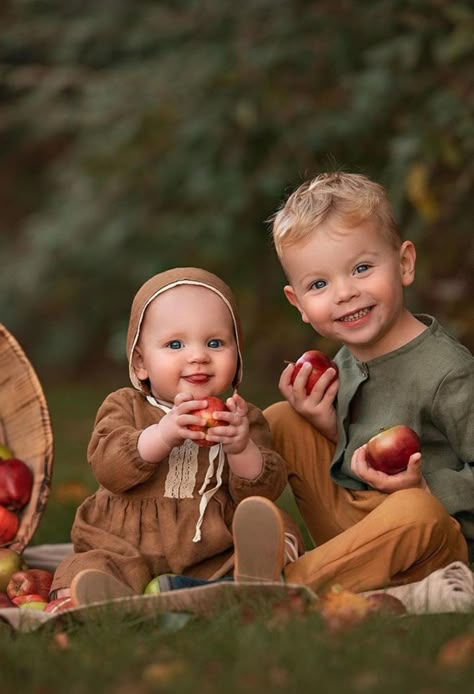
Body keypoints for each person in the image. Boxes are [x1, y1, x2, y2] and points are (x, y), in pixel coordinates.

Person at [243, 172, 474, 610]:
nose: (345, 292)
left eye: (362, 268)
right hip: (360, 530)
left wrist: (425, 488)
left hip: (433, 544)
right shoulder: (343, 364)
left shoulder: (448, 372)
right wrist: (328, 427)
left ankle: (277, 589)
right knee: (280, 421)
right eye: (319, 284)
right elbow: (360, 468)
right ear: (299, 305)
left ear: (404, 264)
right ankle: (221, 546)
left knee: (414, 511)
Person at [50, 267, 303, 605]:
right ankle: (102, 595)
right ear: (141, 363)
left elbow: (263, 490)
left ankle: (243, 578)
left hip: (210, 548)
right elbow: (108, 468)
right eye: (175, 344)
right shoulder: (125, 405)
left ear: (237, 357)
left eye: (215, 342)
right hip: (127, 545)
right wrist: (162, 434)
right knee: (91, 565)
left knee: (275, 526)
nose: (197, 355)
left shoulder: (241, 417)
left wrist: (240, 448)